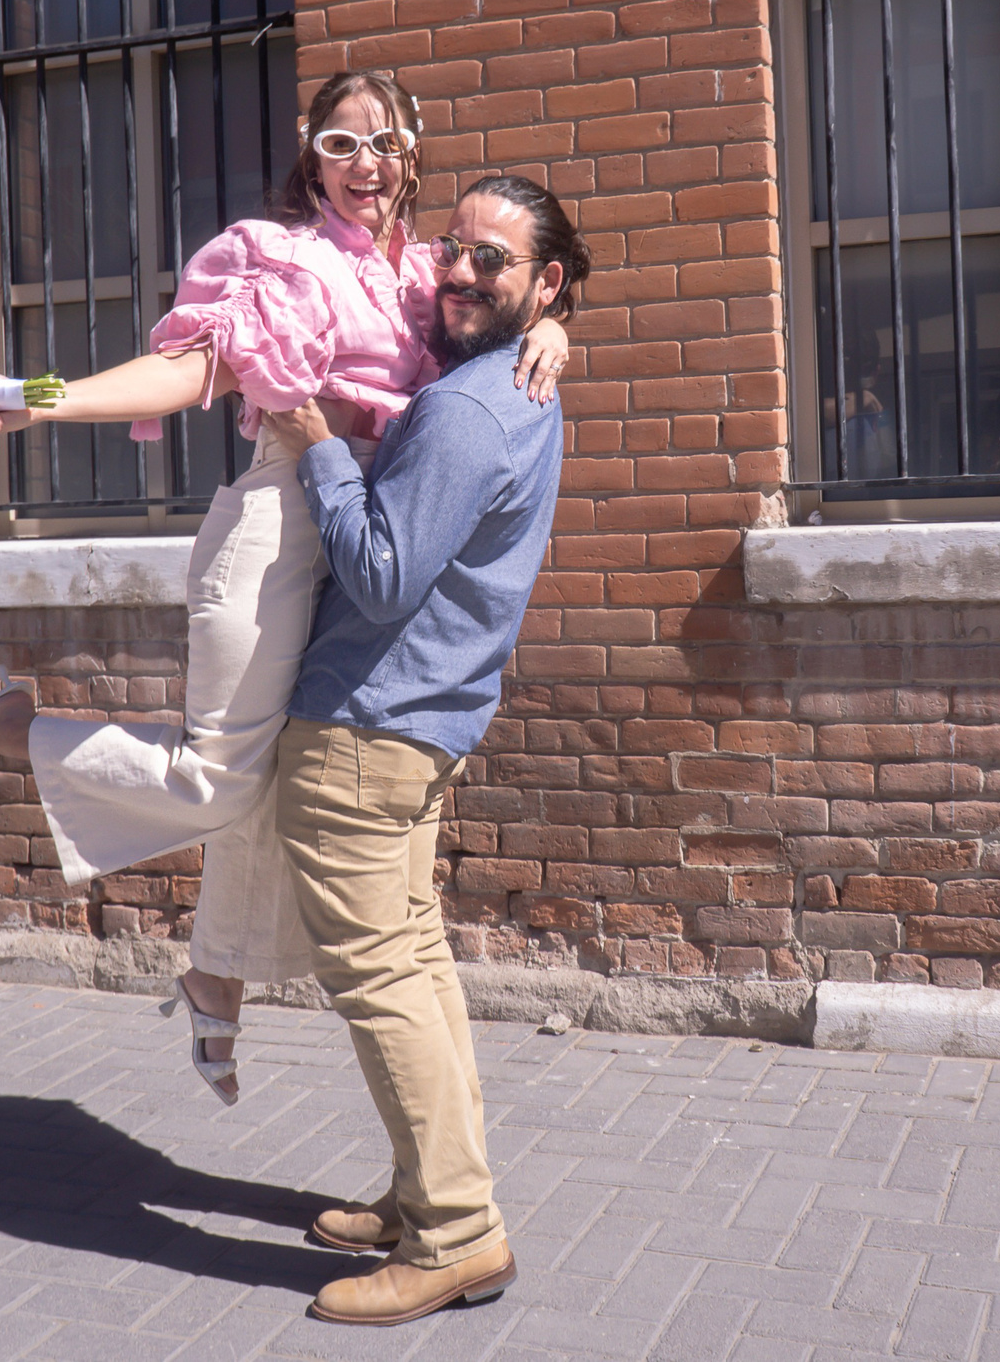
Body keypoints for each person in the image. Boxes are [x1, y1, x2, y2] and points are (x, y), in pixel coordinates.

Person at [0, 72, 568, 1107]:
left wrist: (553, 332)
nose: (366, 165)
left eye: (385, 143)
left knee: (272, 776)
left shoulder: (434, 275)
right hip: (275, 534)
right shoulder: (279, 260)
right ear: (312, 154)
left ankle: (215, 973)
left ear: (415, 153)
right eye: (341, 144)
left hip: (362, 543)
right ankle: (7, 727)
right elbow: (187, 371)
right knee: (216, 780)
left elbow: (507, 311)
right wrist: (31, 401)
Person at [255, 172, 584, 1326]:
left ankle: (452, 1235)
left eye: (490, 260)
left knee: (384, 980)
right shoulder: (516, 386)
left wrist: (311, 444)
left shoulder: (464, 410)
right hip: (418, 726)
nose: (455, 270)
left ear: (545, 280)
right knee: (418, 967)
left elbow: (382, 572)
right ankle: (425, 1196)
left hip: (366, 727)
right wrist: (553, 326)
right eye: (452, 247)